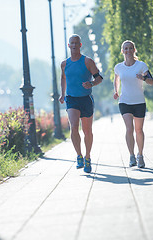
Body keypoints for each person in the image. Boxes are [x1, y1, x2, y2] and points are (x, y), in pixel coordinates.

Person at [59, 34, 103, 173]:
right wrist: (62, 94)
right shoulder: (64, 64)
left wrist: (91, 83)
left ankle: (88, 157)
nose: (74, 45)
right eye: (72, 43)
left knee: (87, 131)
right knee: (73, 127)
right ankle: (79, 156)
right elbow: (63, 78)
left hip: (86, 99)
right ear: (68, 45)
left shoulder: (88, 61)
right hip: (71, 98)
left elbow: (99, 78)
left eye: (76, 43)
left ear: (80, 45)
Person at [113, 40, 153, 168]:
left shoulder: (141, 65)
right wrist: (116, 91)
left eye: (130, 48)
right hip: (125, 101)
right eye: (126, 48)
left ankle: (140, 155)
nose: (128, 50)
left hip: (139, 102)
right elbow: (116, 80)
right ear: (122, 51)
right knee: (129, 129)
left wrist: (143, 78)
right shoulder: (118, 67)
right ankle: (131, 156)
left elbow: (151, 81)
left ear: (134, 50)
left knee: (139, 130)